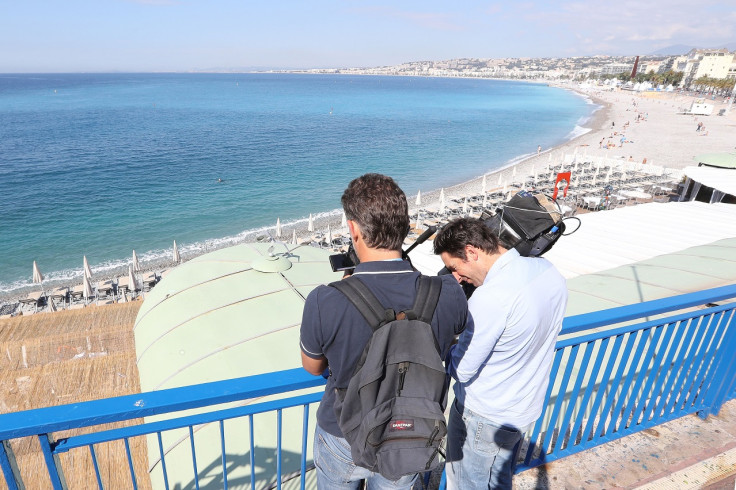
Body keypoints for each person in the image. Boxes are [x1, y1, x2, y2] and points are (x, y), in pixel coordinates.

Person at [300, 173, 468, 489]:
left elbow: (312, 367)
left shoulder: (326, 299)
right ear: (405, 229)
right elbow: (446, 339)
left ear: (353, 229)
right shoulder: (447, 292)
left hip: (343, 432)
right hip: (413, 430)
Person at [433, 218, 568, 490]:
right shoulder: (547, 270)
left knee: (471, 484)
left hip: (486, 414)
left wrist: (447, 345)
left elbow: (462, 369)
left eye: (455, 268)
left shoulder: (491, 297)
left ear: (472, 252)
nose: (457, 277)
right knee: (498, 478)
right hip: (522, 408)